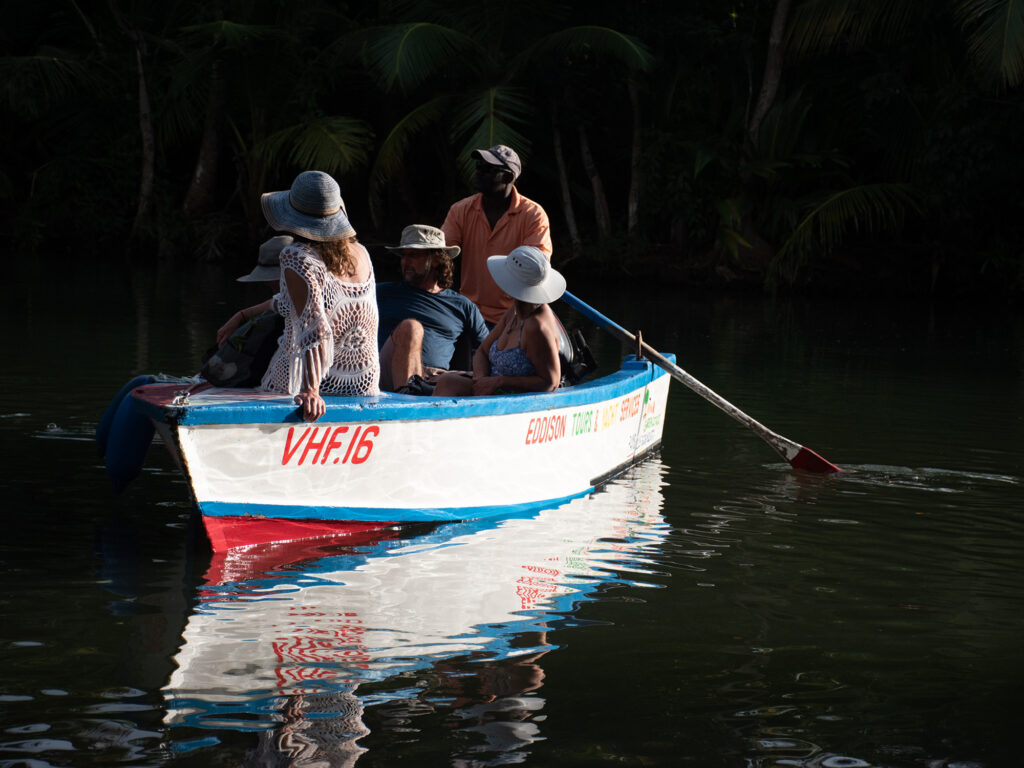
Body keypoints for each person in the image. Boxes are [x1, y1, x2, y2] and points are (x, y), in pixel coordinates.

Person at [216, 170, 379, 421]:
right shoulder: (362, 252)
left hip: (309, 384)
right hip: (364, 381)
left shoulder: (296, 256)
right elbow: (295, 303)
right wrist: (244, 314)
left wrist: (310, 390)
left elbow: (315, 328)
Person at [441, 145, 552, 326]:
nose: (479, 173)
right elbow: (441, 254)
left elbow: (535, 267)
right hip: (467, 312)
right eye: (479, 167)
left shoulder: (533, 215)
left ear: (508, 177)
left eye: (487, 170)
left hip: (513, 316)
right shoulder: (460, 210)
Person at [433, 246, 566, 397]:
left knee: (447, 384)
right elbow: (482, 351)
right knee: (447, 381)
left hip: (512, 398)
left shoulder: (537, 326)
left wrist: (500, 382)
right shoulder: (515, 311)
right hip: (490, 389)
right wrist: (481, 380)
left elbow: (551, 382)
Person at [376, 224, 489, 393]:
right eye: (403, 255)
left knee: (464, 381)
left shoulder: (463, 306)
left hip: (435, 379)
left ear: (436, 259)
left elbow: (488, 349)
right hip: (387, 373)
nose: (405, 261)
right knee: (411, 328)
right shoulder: (382, 292)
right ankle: (407, 399)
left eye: (413, 255)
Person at [204, 235, 291, 387]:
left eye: (273, 279)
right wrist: (241, 315)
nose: (268, 283)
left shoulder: (314, 295)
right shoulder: (286, 299)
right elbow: (277, 302)